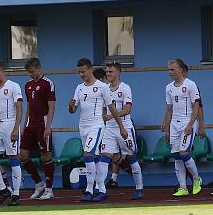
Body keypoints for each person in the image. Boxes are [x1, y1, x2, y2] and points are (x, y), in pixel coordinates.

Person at [69, 58, 127, 202]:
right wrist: (70, 106)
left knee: (88, 155)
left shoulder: (102, 87)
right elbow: (73, 109)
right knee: (93, 159)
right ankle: (101, 189)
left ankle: (89, 190)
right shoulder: (79, 88)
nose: (81, 74)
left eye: (83, 71)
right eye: (79, 72)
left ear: (90, 69)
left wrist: (121, 127)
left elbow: (112, 108)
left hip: (97, 126)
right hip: (83, 127)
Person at [101, 62, 144, 200]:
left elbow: (127, 110)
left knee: (131, 157)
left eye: (111, 72)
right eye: (107, 72)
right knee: (104, 156)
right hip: (109, 129)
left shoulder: (125, 88)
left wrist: (112, 115)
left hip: (124, 127)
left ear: (118, 72)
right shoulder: (104, 88)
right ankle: (100, 189)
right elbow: (103, 108)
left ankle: (139, 188)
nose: (108, 74)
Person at [162, 58, 203, 196]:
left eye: (172, 69)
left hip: (187, 122)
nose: (170, 72)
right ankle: (183, 187)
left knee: (184, 153)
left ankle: (197, 179)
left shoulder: (191, 85)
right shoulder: (169, 87)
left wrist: (191, 125)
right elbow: (169, 109)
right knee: (176, 155)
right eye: (169, 69)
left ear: (180, 70)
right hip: (174, 124)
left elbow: (196, 106)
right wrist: (167, 128)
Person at [0, 61, 23, 206]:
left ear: (4, 72)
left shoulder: (13, 86)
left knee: (13, 158)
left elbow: (19, 108)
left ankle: (16, 194)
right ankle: (3, 189)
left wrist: (15, 128)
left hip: (10, 123)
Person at [21, 58, 56, 201]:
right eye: (28, 72)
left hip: (43, 123)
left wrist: (49, 126)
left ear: (38, 68)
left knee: (45, 156)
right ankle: (39, 184)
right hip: (30, 124)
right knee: (22, 155)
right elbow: (28, 106)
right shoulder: (28, 85)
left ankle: (49, 189)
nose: (30, 75)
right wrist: (24, 126)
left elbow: (52, 105)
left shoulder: (48, 83)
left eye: (32, 72)